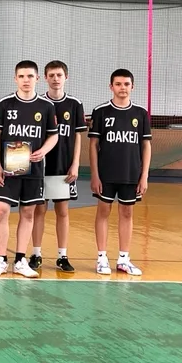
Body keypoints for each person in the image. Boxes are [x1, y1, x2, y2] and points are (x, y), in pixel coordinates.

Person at [0, 61, 58, 278]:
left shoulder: (46, 106)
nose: (25, 80)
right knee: (1, 210)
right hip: (7, 169)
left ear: (37, 78)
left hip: (33, 170)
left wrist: (43, 150)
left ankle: (20, 260)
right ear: (15, 78)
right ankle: (1, 259)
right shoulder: (5, 103)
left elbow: (53, 135)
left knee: (28, 212)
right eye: (21, 76)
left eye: (29, 76)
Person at [89, 69, 151, 276]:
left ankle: (124, 259)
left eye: (126, 84)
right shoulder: (101, 111)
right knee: (103, 212)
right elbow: (93, 145)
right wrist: (95, 175)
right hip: (106, 173)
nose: (122, 88)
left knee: (127, 213)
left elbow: (146, 145)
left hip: (131, 173)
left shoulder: (140, 113)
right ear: (111, 87)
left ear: (132, 87)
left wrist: (144, 175)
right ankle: (102, 257)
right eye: (118, 84)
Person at [31, 60, 86, 273]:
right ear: (45, 78)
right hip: (41, 166)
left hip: (64, 166)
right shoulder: (38, 103)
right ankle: (36, 254)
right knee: (39, 210)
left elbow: (78, 136)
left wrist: (76, 163)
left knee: (62, 211)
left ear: (66, 77)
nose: (55, 79)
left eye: (59, 75)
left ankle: (62, 256)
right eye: (51, 75)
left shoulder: (74, 104)